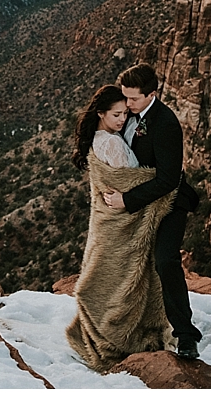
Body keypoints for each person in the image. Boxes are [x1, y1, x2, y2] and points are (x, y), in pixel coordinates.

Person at [65, 85, 177, 372]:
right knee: (127, 278)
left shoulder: (98, 137)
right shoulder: (112, 144)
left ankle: (99, 327)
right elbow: (133, 181)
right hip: (121, 218)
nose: (122, 120)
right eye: (116, 114)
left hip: (105, 219)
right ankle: (121, 335)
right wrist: (160, 178)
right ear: (101, 113)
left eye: (126, 114)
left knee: (110, 276)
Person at [102, 63, 202, 359]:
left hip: (169, 201)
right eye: (124, 97)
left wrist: (127, 200)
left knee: (165, 260)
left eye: (133, 99)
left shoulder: (166, 124)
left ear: (151, 95)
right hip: (137, 199)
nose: (127, 104)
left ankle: (186, 335)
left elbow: (168, 180)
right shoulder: (126, 113)